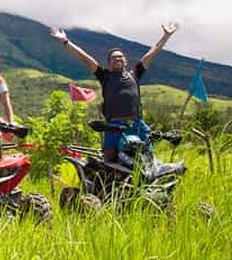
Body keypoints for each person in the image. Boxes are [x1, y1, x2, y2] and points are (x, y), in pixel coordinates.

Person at [49, 22, 178, 162]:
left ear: (126, 61)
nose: (117, 58)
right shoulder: (105, 76)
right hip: (113, 126)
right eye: (114, 57)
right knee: (109, 159)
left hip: (136, 124)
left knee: (147, 158)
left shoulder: (135, 74)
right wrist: (65, 41)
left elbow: (152, 53)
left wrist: (166, 35)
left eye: (120, 56)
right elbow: (84, 58)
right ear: (109, 62)